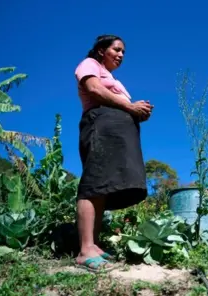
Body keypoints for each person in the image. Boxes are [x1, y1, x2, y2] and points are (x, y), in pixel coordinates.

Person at [73, 34, 153, 272]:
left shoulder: (111, 76)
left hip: (114, 132)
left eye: (123, 52)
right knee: (93, 183)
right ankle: (84, 250)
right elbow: (94, 89)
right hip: (99, 126)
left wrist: (136, 112)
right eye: (116, 50)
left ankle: (94, 245)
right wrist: (130, 106)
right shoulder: (89, 65)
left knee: (103, 187)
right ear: (101, 50)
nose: (120, 55)